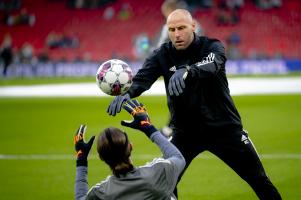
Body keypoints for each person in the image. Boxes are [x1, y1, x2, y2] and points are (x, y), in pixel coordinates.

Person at [107, 9, 282, 199]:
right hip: (185, 134)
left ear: (193, 27)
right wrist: (127, 94)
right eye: (172, 29)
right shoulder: (162, 55)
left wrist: (188, 71)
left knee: (259, 180)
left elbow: (213, 64)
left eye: (181, 28)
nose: (177, 34)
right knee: (165, 186)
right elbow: (142, 79)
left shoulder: (212, 47)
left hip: (224, 128)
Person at [74, 99, 186, 200]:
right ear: (131, 146)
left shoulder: (101, 193)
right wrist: (148, 127)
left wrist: (81, 158)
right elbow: (178, 158)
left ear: (101, 158)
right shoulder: (158, 172)